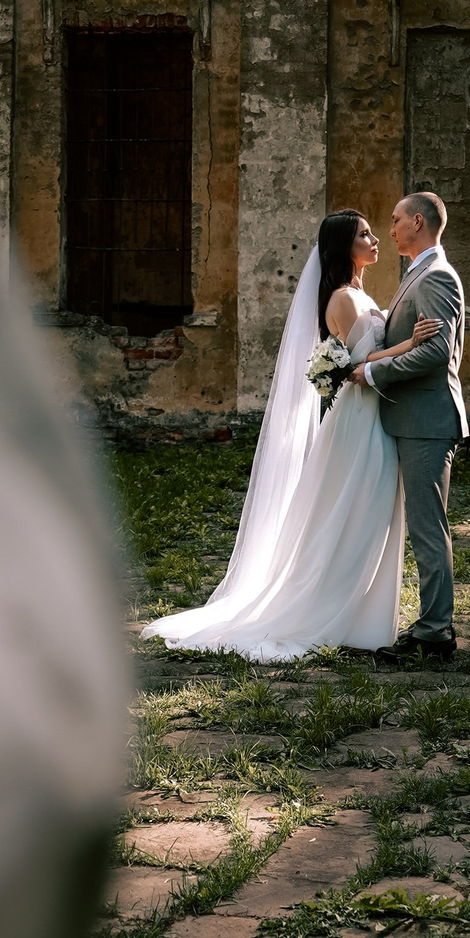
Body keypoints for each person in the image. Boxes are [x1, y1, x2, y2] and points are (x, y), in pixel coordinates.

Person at [145, 210, 441, 660]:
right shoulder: (342, 298)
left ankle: (364, 615)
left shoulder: (360, 293)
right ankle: (331, 610)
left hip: (374, 414)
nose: (376, 238)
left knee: (371, 512)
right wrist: (413, 343)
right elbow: (368, 361)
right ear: (345, 247)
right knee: (354, 510)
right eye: (365, 234)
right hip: (359, 421)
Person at [359, 193, 468, 664]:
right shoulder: (419, 274)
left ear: (418, 222)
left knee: (428, 527)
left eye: (396, 219)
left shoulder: (436, 275)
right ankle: (431, 625)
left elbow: (435, 352)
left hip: (427, 420)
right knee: (425, 526)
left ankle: (435, 634)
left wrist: (372, 372)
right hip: (413, 419)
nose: (391, 228)